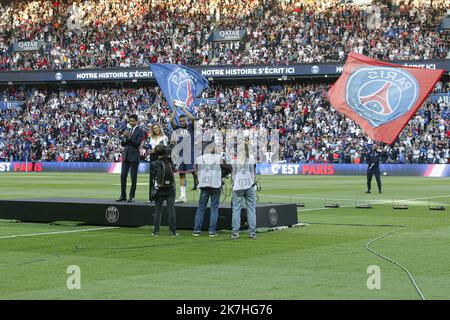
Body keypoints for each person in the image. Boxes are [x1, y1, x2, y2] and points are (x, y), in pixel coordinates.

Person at [192, 141, 230, 237]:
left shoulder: (199, 158)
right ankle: (212, 231)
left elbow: (195, 169)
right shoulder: (218, 158)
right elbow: (228, 167)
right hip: (215, 185)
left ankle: (197, 230)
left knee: (201, 208)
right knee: (214, 208)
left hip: (204, 185)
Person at [170, 101, 199, 204]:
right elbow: (171, 120)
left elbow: (192, 119)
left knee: (194, 173)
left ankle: (201, 193)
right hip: (180, 155)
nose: (182, 122)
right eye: (180, 121)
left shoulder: (190, 127)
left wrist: (183, 109)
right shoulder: (177, 129)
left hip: (190, 154)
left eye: (183, 121)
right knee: (181, 175)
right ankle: (183, 196)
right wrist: (175, 109)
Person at [230, 141, 257, 240]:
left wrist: (234, 183)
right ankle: (252, 232)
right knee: (251, 209)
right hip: (249, 186)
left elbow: (233, 175)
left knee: (236, 209)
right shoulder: (252, 160)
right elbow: (254, 174)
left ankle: (235, 232)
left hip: (238, 187)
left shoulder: (234, 162)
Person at [149, 144, 178, 237]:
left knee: (158, 210)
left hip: (159, 189)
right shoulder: (170, 162)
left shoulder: (154, 164)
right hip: (170, 189)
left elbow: (153, 179)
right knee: (171, 210)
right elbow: (175, 170)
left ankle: (155, 231)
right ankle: (173, 232)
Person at [116, 114, 144, 203]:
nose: (131, 122)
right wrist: (124, 138)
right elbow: (123, 144)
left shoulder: (140, 131)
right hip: (126, 156)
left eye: (133, 121)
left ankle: (132, 196)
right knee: (123, 176)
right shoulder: (127, 130)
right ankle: (123, 196)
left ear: (137, 121)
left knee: (133, 177)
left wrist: (128, 137)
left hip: (134, 157)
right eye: (130, 121)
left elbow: (137, 144)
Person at [147, 123, 169, 201]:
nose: (156, 129)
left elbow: (166, 149)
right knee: (152, 178)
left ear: (160, 128)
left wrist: (157, 149)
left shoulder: (164, 137)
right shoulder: (151, 137)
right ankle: (151, 197)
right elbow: (150, 148)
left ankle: (163, 197)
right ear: (152, 129)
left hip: (161, 158)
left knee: (161, 177)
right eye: (154, 128)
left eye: (157, 128)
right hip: (153, 157)